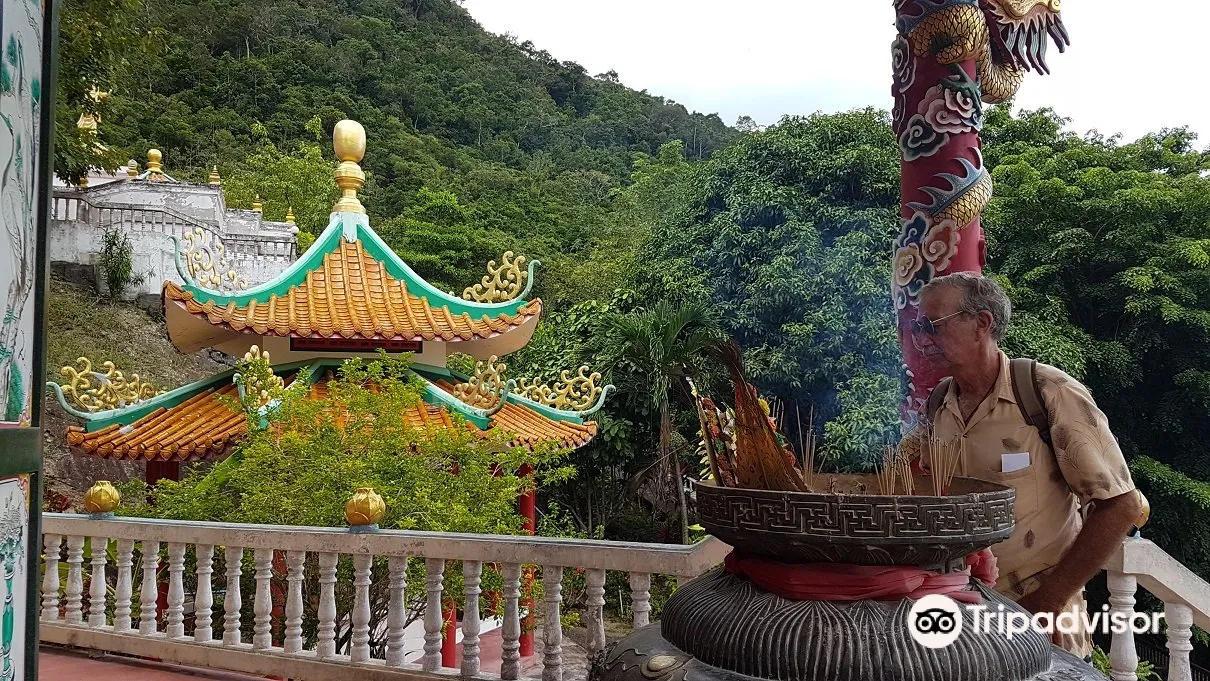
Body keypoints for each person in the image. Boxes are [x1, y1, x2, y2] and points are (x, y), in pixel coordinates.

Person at [906, 271, 1142, 659]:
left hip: (1039, 620)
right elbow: (895, 475)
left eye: (931, 325)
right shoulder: (939, 404)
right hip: (960, 621)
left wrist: (1048, 601)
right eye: (917, 326)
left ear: (981, 323)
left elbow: (1121, 505)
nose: (921, 338)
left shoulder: (1046, 393)